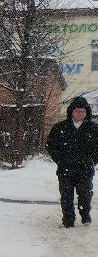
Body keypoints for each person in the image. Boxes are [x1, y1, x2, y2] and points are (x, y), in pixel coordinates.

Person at [45, 96, 98, 228]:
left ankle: (85, 214)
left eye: (82, 111)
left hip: (85, 169)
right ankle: (68, 220)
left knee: (85, 195)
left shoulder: (94, 129)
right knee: (66, 197)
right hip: (65, 169)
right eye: (76, 111)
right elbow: (50, 145)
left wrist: (93, 160)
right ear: (71, 112)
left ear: (87, 112)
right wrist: (60, 160)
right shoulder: (60, 127)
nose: (79, 113)